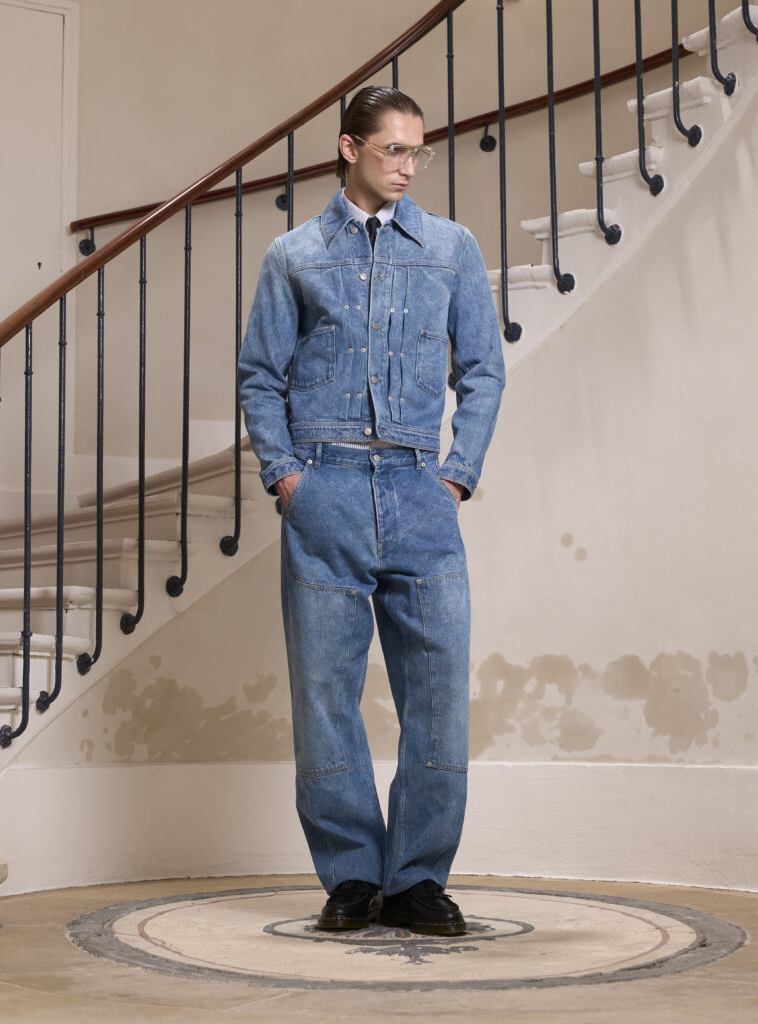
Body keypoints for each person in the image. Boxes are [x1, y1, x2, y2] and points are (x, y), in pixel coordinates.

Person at [238, 86, 505, 937]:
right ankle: (352, 876)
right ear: (348, 148)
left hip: (421, 494)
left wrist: (456, 476)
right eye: (393, 149)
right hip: (326, 494)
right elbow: (259, 377)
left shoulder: (451, 249)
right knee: (325, 694)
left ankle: (418, 879)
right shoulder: (293, 255)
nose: (408, 166)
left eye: (418, 150)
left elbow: (484, 370)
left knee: (438, 694)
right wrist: (287, 477)